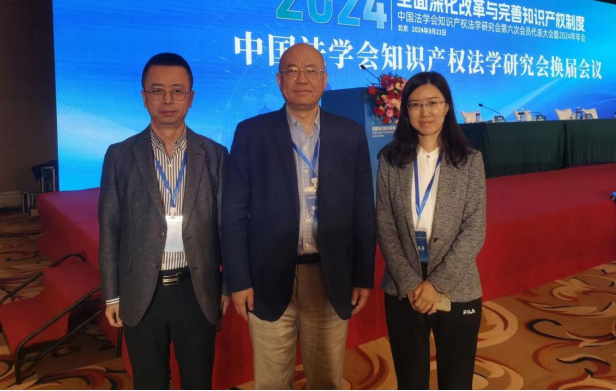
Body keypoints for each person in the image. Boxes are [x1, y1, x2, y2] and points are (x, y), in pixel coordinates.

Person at [222, 43, 376, 390]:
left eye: (311, 71)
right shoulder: (252, 133)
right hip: (267, 275)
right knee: (271, 381)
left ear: (324, 79)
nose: (301, 78)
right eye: (292, 70)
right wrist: (238, 280)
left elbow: (363, 211)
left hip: (329, 273)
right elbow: (233, 213)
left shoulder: (349, 133)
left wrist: (362, 275)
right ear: (279, 80)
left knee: (327, 378)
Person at [99, 53, 229, 390]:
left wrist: (226, 286)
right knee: (149, 381)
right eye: (157, 91)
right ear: (144, 97)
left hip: (197, 289)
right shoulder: (120, 155)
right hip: (141, 289)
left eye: (177, 91)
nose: (168, 100)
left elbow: (226, 228)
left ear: (191, 97)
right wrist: (111, 295)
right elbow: (110, 229)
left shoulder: (215, 155)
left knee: (198, 380)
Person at [376, 71, 486, 390]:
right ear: (406, 111)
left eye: (433, 103)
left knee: (456, 380)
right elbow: (384, 224)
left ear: (447, 106)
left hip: (457, 285)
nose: (425, 112)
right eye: (416, 104)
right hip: (403, 287)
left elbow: (474, 228)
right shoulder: (390, 160)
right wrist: (411, 282)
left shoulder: (469, 161)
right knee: (410, 380)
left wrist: (437, 284)